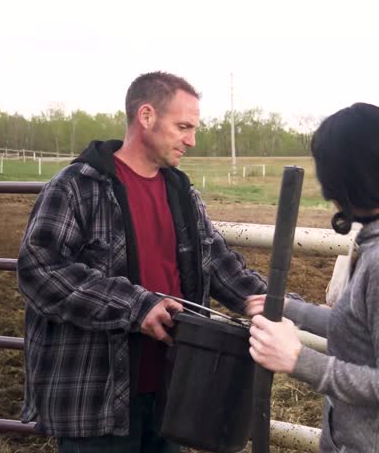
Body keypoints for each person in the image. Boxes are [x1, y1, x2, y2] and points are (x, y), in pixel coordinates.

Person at [17, 71, 265, 452]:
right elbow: (40, 270)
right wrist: (136, 306)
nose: (191, 140)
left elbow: (218, 262)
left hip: (174, 393)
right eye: (183, 127)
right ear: (146, 116)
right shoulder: (77, 186)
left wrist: (274, 304)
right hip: (98, 401)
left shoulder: (181, 194)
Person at [247, 103, 379, 452]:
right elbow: (360, 328)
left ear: (344, 178)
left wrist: (298, 359)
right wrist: (292, 310)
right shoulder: (378, 245)